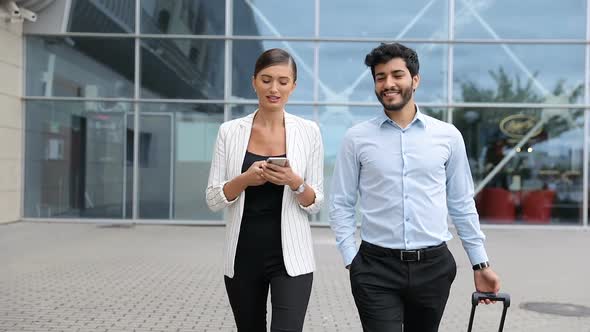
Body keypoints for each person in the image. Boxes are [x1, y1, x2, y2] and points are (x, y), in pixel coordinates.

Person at [328, 43, 501, 332]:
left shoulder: (447, 136)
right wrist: (351, 260)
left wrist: (480, 264)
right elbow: (341, 203)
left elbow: (461, 203)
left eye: (397, 74)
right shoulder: (356, 139)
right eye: (380, 77)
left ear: (415, 80)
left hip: (433, 267)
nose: (388, 83)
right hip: (375, 268)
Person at [206, 48, 324, 332]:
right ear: (254, 81)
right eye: (267, 79)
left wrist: (294, 181)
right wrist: (244, 179)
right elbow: (212, 198)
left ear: (293, 86)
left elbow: (316, 202)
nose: (274, 88)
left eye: (283, 81)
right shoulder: (229, 131)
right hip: (243, 256)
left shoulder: (309, 132)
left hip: (292, 259)